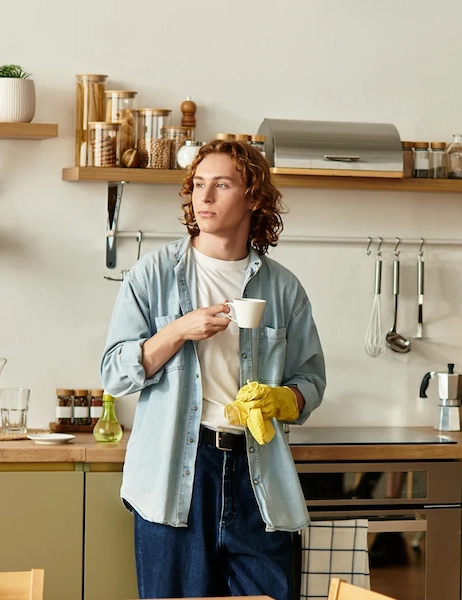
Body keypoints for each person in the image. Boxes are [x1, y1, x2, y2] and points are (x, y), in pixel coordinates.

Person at [100, 139, 326, 599]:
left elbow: (310, 379)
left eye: (221, 185)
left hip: (258, 476)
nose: (203, 198)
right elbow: (114, 374)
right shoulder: (153, 274)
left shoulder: (283, 288)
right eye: (198, 185)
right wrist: (177, 330)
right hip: (175, 476)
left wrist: (285, 399)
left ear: (253, 197)